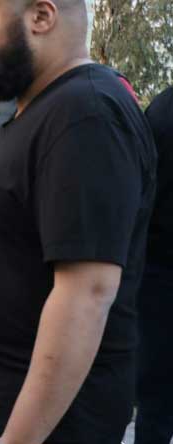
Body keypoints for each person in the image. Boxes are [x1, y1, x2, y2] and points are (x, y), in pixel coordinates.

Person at [0, 1, 156, 443]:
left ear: (42, 17)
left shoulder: (87, 115)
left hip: (48, 425)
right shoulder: (40, 110)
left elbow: (87, 293)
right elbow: (12, 248)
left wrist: (19, 439)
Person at [135, 85, 173, 444]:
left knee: (156, 402)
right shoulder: (163, 112)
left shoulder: (161, 110)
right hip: (161, 273)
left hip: (159, 273)